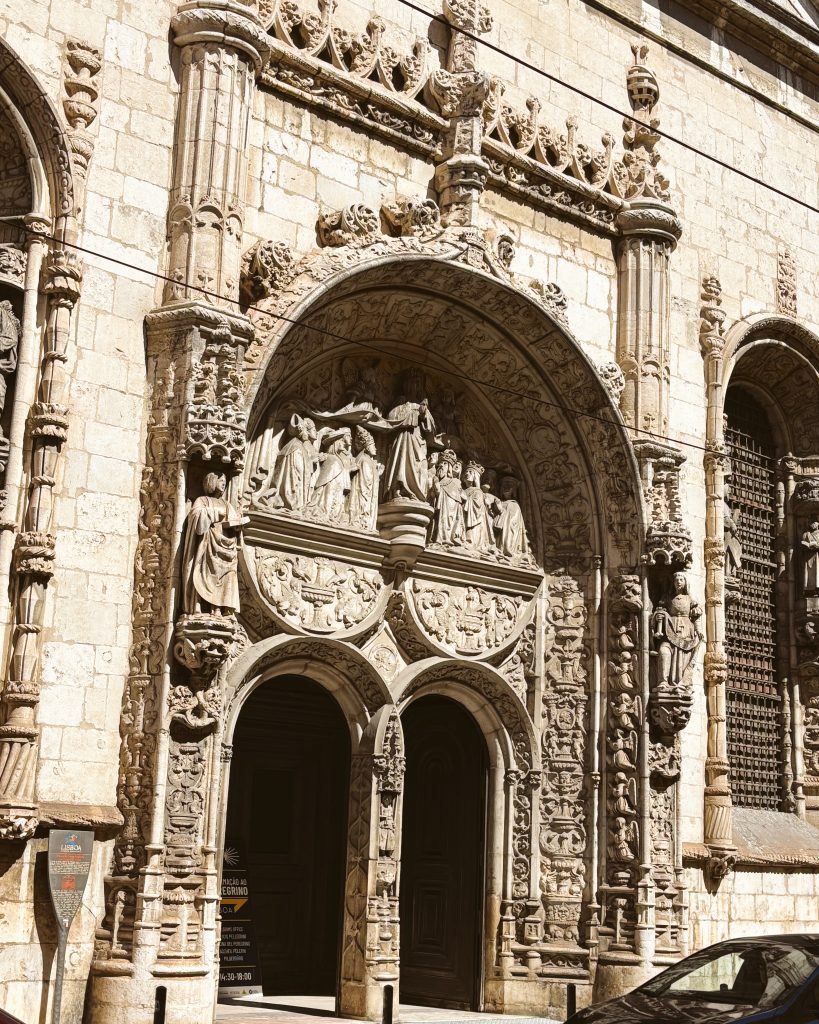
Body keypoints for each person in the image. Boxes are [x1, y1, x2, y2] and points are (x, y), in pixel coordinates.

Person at [181, 472, 247, 616]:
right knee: (204, 574)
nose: (223, 484)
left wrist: (237, 527)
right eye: (220, 480)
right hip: (208, 546)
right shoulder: (202, 500)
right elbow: (196, 517)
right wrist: (215, 513)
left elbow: (233, 520)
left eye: (225, 481)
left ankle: (217, 609)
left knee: (225, 577)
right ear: (211, 481)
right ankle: (197, 607)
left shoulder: (227, 504)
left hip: (225, 547)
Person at [382, 370, 436, 502]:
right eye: (412, 383)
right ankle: (398, 489)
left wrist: (423, 415)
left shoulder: (422, 407)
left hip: (417, 441)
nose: (414, 387)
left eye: (418, 384)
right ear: (406, 385)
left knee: (419, 466)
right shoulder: (400, 403)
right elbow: (390, 419)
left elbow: (431, 430)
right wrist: (407, 415)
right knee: (401, 462)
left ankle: (417, 493)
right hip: (402, 440)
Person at [653, 572, 702, 693]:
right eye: (676, 580)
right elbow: (659, 609)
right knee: (663, 651)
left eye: (681, 579)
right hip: (669, 628)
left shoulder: (690, 599)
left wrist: (699, 630)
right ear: (673, 583)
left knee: (681, 657)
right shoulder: (667, 597)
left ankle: (679, 683)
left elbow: (696, 615)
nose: (679, 582)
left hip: (686, 630)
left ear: (685, 583)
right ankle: (663, 681)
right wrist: (659, 615)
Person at [307, 427, 354, 521]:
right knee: (328, 497)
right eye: (348, 436)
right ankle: (325, 513)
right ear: (336, 442)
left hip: (337, 494)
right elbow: (322, 483)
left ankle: (333, 515)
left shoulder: (342, 459)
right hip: (327, 495)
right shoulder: (331, 458)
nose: (351, 438)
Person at [347, 426, 381, 530]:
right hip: (363, 498)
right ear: (366, 447)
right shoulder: (365, 460)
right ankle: (363, 522)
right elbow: (366, 484)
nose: (375, 448)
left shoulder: (366, 460)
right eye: (373, 445)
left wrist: (377, 473)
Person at [428, 449, 465, 546]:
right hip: (439, 509)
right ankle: (438, 538)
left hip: (451, 508)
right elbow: (433, 495)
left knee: (448, 519)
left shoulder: (455, 482)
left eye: (444, 464)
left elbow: (462, 498)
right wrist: (435, 485)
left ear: (449, 467)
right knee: (439, 520)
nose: (441, 466)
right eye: (440, 464)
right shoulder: (437, 480)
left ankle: (447, 539)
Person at [462, 461, 496, 553]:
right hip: (463, 520)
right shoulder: (464, 490)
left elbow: (477, 511)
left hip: (474, 522)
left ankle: (471, 542)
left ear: (475, 476)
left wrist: (464, 500)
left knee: (472, 534)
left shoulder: (478, 492)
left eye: (470, 472)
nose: (466, 474)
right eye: (466, 472)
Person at [494, 475, 530, 559]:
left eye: (509, 486)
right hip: (499, 533)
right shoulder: (500, 502)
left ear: (513, 490)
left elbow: (513, 523)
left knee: (508, 538)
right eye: (504, 486)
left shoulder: (514, 504)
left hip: (509, 530)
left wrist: (501, 511)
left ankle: (507, 551)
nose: (506, 488)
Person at [802, 522, 819, 595]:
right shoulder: (806, 534)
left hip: (817, 556)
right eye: (811, 522)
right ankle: (809, 590)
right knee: (809, 573)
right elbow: (802, 547)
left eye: (814, 522)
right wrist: (806, 546)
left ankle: (817, 589)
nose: (813, 524)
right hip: (808, 557)